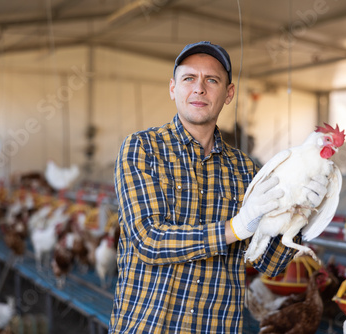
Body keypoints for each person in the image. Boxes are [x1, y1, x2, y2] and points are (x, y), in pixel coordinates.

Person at [109, 41, 327, 333]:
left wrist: (302, 212)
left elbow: (272, 263)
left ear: (228, 94)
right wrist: (235, 228)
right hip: (150, 326)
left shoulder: (247, 171)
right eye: (189, 79)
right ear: (173, 88)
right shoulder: (142, 148)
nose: (199, 88)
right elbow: (149, 240)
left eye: (212, 80)